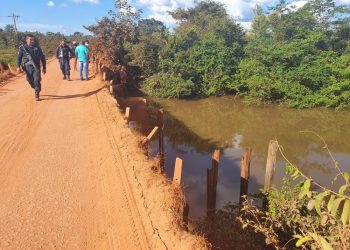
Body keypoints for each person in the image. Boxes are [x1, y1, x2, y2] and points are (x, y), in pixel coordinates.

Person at [16, 34, 46, 101]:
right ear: (26, 40)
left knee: (37, 80)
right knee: (30, 81)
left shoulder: (37, 47)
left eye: (33, 40)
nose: (32, 41)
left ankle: (37, 93)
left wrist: (44, 67)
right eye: (30, 39)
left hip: (36, 67)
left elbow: (42, 58)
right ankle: (36, 87)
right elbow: (19, 58)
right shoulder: (22, 48)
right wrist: (18, 66)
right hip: (27, 68)